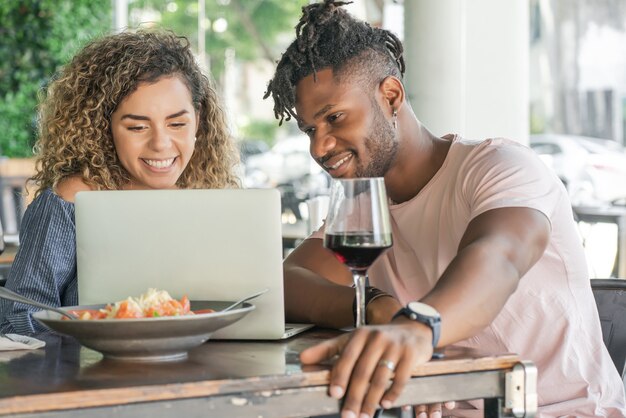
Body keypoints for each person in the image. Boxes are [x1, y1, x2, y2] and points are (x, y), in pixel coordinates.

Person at [264, 1, 626, 417]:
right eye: (311, 129)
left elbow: (498, 257)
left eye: (335, 118)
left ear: (390, 95)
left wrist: (419, 329)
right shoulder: (366, 207)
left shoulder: (500, 167)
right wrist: (378, 307)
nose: (319, 146)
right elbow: (288, 281)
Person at [0, 30, 239, 335]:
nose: (161, 144)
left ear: (199, 118)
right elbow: (18, 319)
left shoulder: (210, 198)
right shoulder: (74, 199)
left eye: (177, 123)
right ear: (104, 127)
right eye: (137, 127)